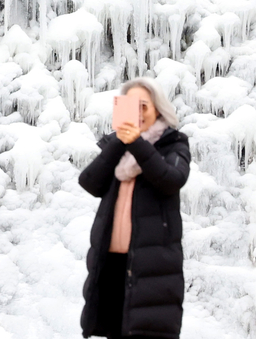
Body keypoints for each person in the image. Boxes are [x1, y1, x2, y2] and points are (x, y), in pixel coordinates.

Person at [78, 77, 189, 338]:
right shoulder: (118, 148)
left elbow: (171, 180)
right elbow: (89, 182)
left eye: (144, 106)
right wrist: (120, 141)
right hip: (112, 262)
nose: (138, 113)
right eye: (131, 106)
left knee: (148, 331)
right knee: (112, 330)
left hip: (151, 265)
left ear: (158, 109)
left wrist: (137, 143)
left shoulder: (174, 144)